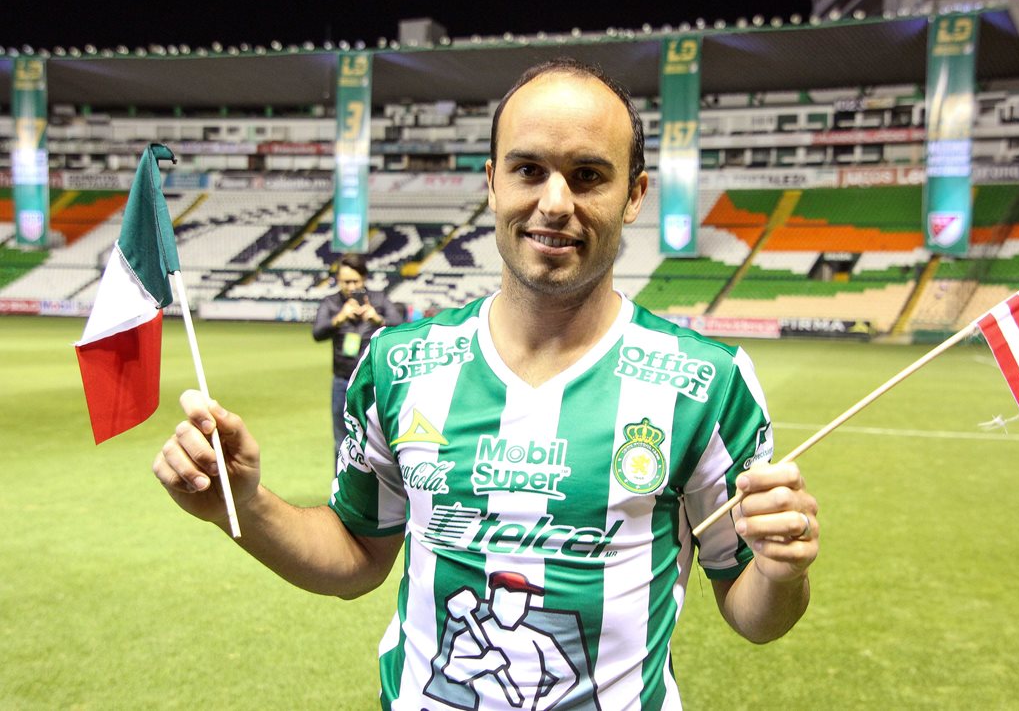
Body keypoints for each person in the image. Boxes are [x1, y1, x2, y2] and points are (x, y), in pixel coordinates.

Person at [153, 58, 819, 710]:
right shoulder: (397, 364)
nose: (555, 203)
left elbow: (753, 612)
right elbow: (357, 556)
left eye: (588, 176)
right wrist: (240, 506)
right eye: (530, 170)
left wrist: (782, 569)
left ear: (635, 194)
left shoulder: (707, 381)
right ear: (492, 182)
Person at [312, 253, 406, 457]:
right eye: (345, 282)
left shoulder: (378, 300)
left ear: (364, 279)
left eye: (355, 281)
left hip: (373, 382)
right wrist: (339, 318)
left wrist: (377, 319)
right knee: (341, 441)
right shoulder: (331, 303)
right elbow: (317, 333)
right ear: (338, 281)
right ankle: (340, 487)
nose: (351, 287)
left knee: (379, 440)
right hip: (342, 381)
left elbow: (402, 327)